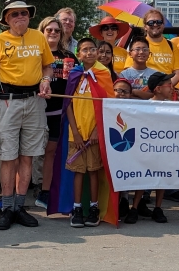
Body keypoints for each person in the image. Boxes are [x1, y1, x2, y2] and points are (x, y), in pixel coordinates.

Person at [0, 0, 53, 230]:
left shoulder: (39, 37)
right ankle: (7, 207)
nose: (20, 17)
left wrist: (46, 80)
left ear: (29, 16)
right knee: (7, 156)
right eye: (14, 14)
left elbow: (47, 65)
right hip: (7, 102)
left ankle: (20, 207)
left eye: (24, 13)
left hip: (35, 101)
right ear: (6, 20)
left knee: (28, 156)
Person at [65, 38, 114, 228]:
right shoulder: (75, 74)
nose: (89, 53)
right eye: (85, 50)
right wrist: (76, 133)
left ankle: (94, 208)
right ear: (78, 54)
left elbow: (107, 104)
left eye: (93, 49)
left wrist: (96, 130)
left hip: (94, 133)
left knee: (94, 171)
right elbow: (67, 104)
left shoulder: (103, 73)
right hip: (75, 133)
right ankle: (77, 208)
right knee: (78, 172)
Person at [33, 16, 78, 209]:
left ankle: (45, 191)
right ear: (41, 31)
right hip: (34, 110)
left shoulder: (68, 56)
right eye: (48, 29)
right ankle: (16, 192)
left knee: (50, 152)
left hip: (58, 111)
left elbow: (73, 86)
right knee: (25, 153)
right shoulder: (33, 54)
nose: (53, 33)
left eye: (56, 30)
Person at [124, 71, 173, 224]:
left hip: (165, 148)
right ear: (158, 88)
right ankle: (135, 207)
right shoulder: (145, 106)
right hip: (147, 148)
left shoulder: (174, 107)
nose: (172, 87)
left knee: (162, 178)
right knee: (143, 177)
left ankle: (158, 208)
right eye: (168, 85)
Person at [126, 9, 179, 87]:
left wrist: (163, 88)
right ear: (145, 26)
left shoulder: (172, 46)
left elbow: (177, 74)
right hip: (141, 89)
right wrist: (148, 90)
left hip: (165, 91)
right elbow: (129, 72)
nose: (155, 25)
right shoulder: (137, 45)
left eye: (158, 22)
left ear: (163, 24)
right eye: (151, 23)